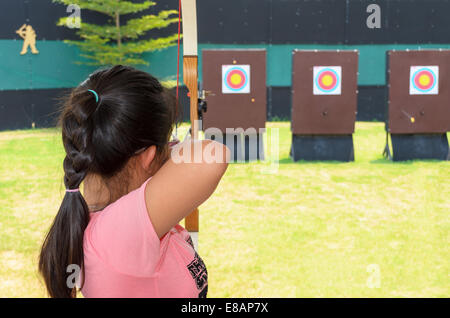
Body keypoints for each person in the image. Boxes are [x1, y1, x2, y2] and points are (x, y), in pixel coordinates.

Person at [38, 65, 229, 298]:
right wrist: (168, 151)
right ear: (148, 156)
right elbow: (213, 155)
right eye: (166, 142)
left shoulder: (107, 224)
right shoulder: (118, 235)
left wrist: (159, 149)